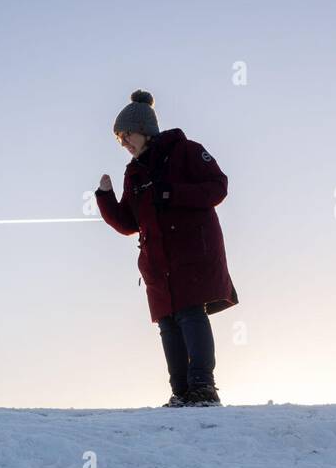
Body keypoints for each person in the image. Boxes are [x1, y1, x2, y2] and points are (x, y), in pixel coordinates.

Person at [95, 89, 239, 406]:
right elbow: (128, 222)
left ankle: (203, 388)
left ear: (144, 129)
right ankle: (181, 391)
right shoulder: (133, 173)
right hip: (158, 263)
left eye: (126, 134)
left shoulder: (185, 151)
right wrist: (104, 197)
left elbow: (218, 186)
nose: (123, 143)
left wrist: (171, 194)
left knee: (189, 314)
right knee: (168, 323)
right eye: (119, 139)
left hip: (191, 253)